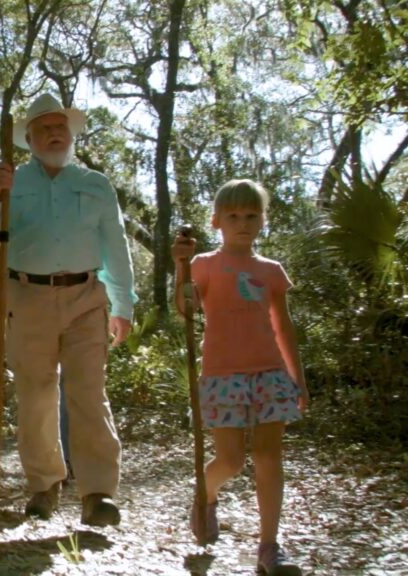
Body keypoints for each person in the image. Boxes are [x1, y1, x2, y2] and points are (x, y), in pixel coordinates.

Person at [0, 93, 136, 526]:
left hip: (85, 298)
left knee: (88, 394)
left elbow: (116, 247)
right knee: (37, 394)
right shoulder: (12, 180)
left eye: (60, 126)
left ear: (71, 132)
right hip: (27, 297)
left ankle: (98, 493)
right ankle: (44, 486)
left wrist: (124, 305)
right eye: (43, 127)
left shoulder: (95, 184)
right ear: (29, 137)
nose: (54, 133)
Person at [172, 179, 308, 575]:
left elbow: (283, 326)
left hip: (269, 373)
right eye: (233, 216)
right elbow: (186, 309)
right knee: (230, 460)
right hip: (222, 374)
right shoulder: (205, 264)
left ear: (262, 220)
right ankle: (204, 496)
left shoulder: (271, 271)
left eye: (251, 215)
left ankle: (269, 547)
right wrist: (181, 265)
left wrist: (297, 377)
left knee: (268, 456)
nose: (243, 223)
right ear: (217, 221)